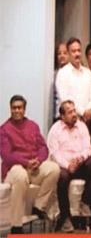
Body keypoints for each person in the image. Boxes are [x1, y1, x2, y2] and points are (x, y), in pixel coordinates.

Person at [0, 95, 60, 235]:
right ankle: (16, 226)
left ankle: (39, 206)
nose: (16, 111)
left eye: (19, 108)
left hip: (34, 167)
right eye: (14, 108)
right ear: (10, 109)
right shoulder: (4, 129)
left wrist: (38, 160)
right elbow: (7, 156)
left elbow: (43, 147)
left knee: (54, 169)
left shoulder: (33, 126)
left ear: (24, 109)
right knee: (20, 175)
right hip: (14, 169)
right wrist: (26, 162)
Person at [47, 100, 91, 232]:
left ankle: (85, 202)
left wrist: (80, 159)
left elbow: (88, 148)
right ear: (62, 116)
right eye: (70, 112)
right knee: (62, 177)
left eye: (74, 111)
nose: (74, 114)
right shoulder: (55, 130)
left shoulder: (81, 126)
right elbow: (54, 153)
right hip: (65, 167)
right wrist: (68, 165)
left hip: (80, 164)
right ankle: (65, 218)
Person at [55, 37, 91, 123]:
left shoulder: (88, 73)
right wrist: (82, 112)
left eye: (79, 50)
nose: (77, 54)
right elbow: (65, 99)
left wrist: (89, 111)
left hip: (88, 121)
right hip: (68, 122)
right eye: (73, 51)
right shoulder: (62, 73)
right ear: (68, 53)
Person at [52, 42, 69, 123]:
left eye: (65, 53)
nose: (62, 56)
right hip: (57, 114)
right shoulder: (54, 73)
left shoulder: (72, 73)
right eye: (59, 53)